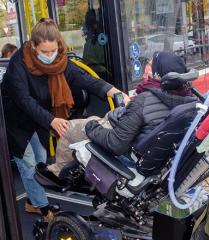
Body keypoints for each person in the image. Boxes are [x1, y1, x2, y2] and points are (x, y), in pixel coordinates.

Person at [1, 18, 129, 222]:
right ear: (33, 46)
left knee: (41, 157)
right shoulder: (19, 64)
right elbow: (24, 100)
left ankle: (33, 201)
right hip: (14, 119)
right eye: (45, 51)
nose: (50, 56)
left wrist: (111, 90)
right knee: (28, 164)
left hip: (37, 117)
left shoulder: (60, 61)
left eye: (52, 50)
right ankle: (43, 210)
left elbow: (83, 79)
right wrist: (52, 120)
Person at [38, 51, 197, 180]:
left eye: (147, 74)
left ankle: (58, 174)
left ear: (159, 78)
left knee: (67, 129)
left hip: (114, 133)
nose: (143, 77)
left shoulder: (145, 100)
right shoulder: (187, 99)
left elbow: (116, 143)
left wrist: (90, 127)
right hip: (132, 133)